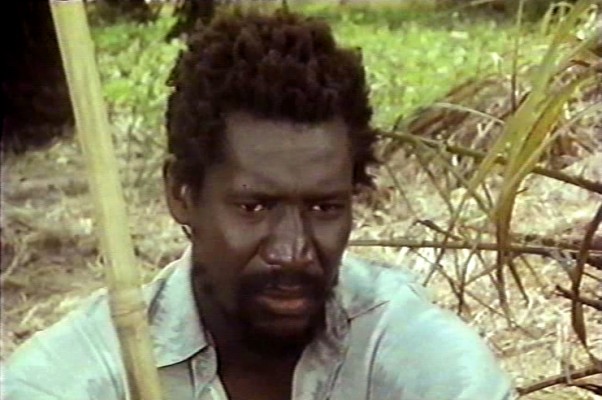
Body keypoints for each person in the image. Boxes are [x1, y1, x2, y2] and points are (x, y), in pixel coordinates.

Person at [2, 10, 515, 400]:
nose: (292, 251)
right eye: (254, 207)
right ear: (182, 195)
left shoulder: (415, 357)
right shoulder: (79, 377)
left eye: (324, 208)